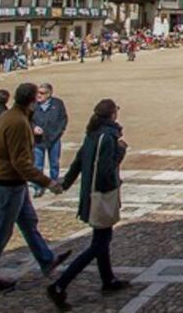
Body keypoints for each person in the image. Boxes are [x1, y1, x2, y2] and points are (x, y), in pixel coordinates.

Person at [0, 83, 69, 293]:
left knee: (29, 222)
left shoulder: (9, 116)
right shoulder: (17, 122)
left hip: (11, 181)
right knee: (1, 233)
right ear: (32, 101)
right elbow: (21, 162)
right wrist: (48, 182)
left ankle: (47, 259)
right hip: (9, 183)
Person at [46, 99, 130, 310]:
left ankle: (108, 279)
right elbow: (105, 169)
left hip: (90, 194)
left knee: (101, 238)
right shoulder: (108, 137)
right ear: (112, 114)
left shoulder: (92, 133)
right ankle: (59, 285)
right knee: (99, 244)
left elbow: (78, 160)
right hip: (100, 195)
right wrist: (121, 151)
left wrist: (65, 183)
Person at [32, 83, 69, 198]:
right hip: (38, 140)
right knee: (38, 165)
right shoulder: (33, 105)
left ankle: (54, 184)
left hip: (54, 139)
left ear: (49, 94)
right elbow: (27, 119)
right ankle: (38, 187)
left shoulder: (57, 103)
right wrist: (33, 128)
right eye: (38, 92)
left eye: (42, 93)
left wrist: (59, 132)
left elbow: (63, 119)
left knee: (54, 164)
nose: (39, 95)